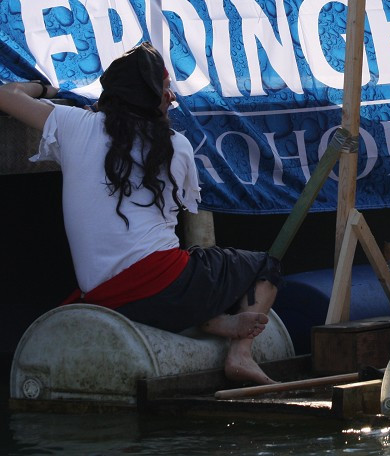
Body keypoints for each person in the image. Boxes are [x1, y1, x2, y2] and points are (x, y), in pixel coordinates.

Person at [0, 43, 282, 386]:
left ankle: (213, 319)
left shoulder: (73, 124)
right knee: (265, 265)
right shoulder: (174, 144)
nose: (172, 98)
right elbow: (171, 224)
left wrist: (49, 89)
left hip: (105, 298)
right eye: (165, 91)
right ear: (152, 97)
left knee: (184, 264)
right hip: (164, 287)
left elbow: (7, 94)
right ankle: (240, 354)